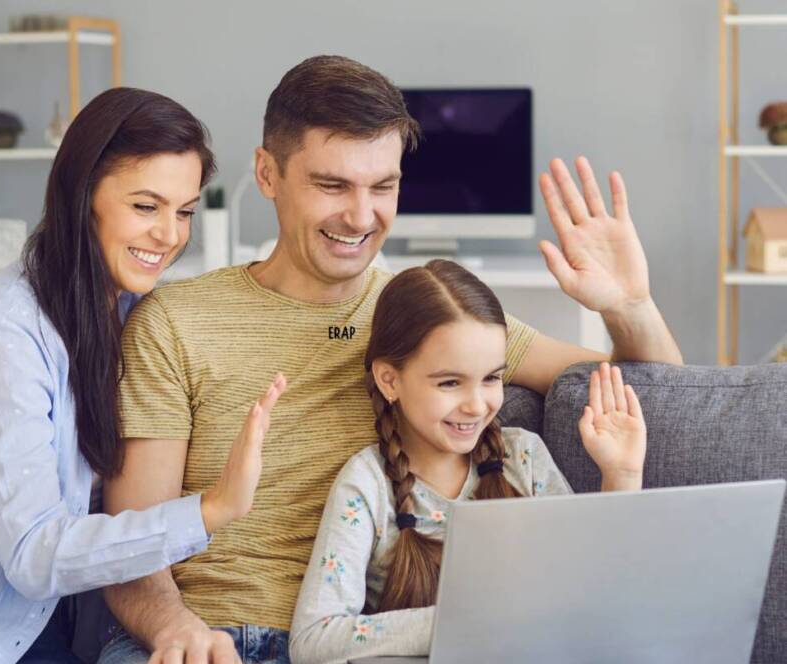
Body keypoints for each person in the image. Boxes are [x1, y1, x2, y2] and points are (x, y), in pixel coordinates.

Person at [100, 55, 681, 664]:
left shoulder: (431, 317)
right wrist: (174, 629)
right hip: (204, 635)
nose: (360, 216)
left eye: (383, 186)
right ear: (267, 173)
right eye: (332, 186)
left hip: (363, 646)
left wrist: (631, 305)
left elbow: (660, 396)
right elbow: (130, 542)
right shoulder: (175, 320)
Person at [0, 87, 278, 664]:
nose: (170, 236)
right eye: (146, 207)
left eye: (184, 211)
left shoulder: (127, 308)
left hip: (45, 624)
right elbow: (34, 555)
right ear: (83, 195)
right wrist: (213, 509)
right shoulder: (6, 333)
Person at [288, 259, 646, 663]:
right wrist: (466, 623)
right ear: (390, 380)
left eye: (492, 378)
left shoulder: (522, 457)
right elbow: (314, 640)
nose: (477, 406)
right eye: (450, 383)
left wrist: (622, 474)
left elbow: (594, 593)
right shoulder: (367, 484)